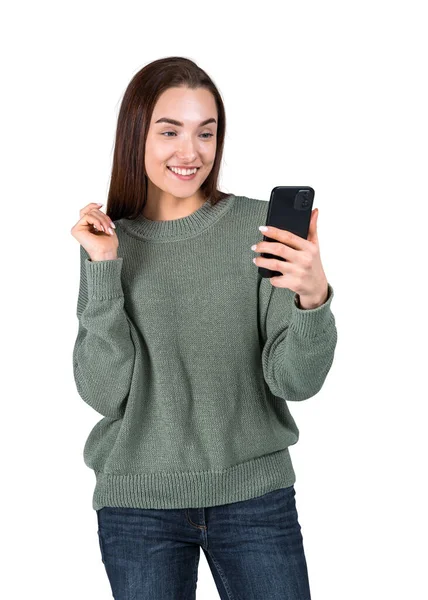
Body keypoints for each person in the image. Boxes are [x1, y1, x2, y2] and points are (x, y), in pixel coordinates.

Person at [70, 56, 337, 600]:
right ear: (135, 134)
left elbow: (295, 382)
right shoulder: (109, 242)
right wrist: (103, 268)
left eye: (206, 133)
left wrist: (313, 299)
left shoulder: (260, 228)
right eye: (170, 131)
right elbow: (104, 392)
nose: (189, 152)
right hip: (137, 505)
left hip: (255, 496)